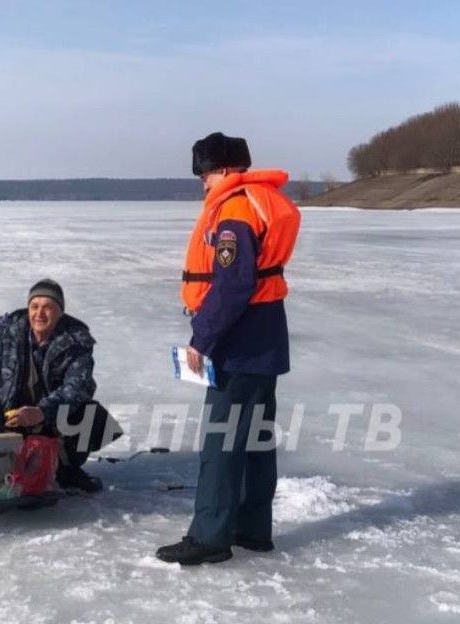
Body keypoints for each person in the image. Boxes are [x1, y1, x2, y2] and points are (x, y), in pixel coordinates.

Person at [156, 133, 301, 565]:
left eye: (205, 172)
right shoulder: (260, 200)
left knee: (222, 442)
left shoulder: (236, 210)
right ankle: (252, 529)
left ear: (224, 170)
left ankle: (211, 536)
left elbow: (233, 285)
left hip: (238, 341)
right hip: (265, 337)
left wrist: (202, 338)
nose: (202, 181)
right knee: (255, 439)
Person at [0, 279, 116, 493]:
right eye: (34, 306)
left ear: (60, 312)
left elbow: (77, 388)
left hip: (50, 420)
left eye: (48, 307)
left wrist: (41, 412)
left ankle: (65, 468)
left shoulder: (77, 342)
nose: (39, 314)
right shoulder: (6, 332)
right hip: (10, 418)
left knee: (91, 416)